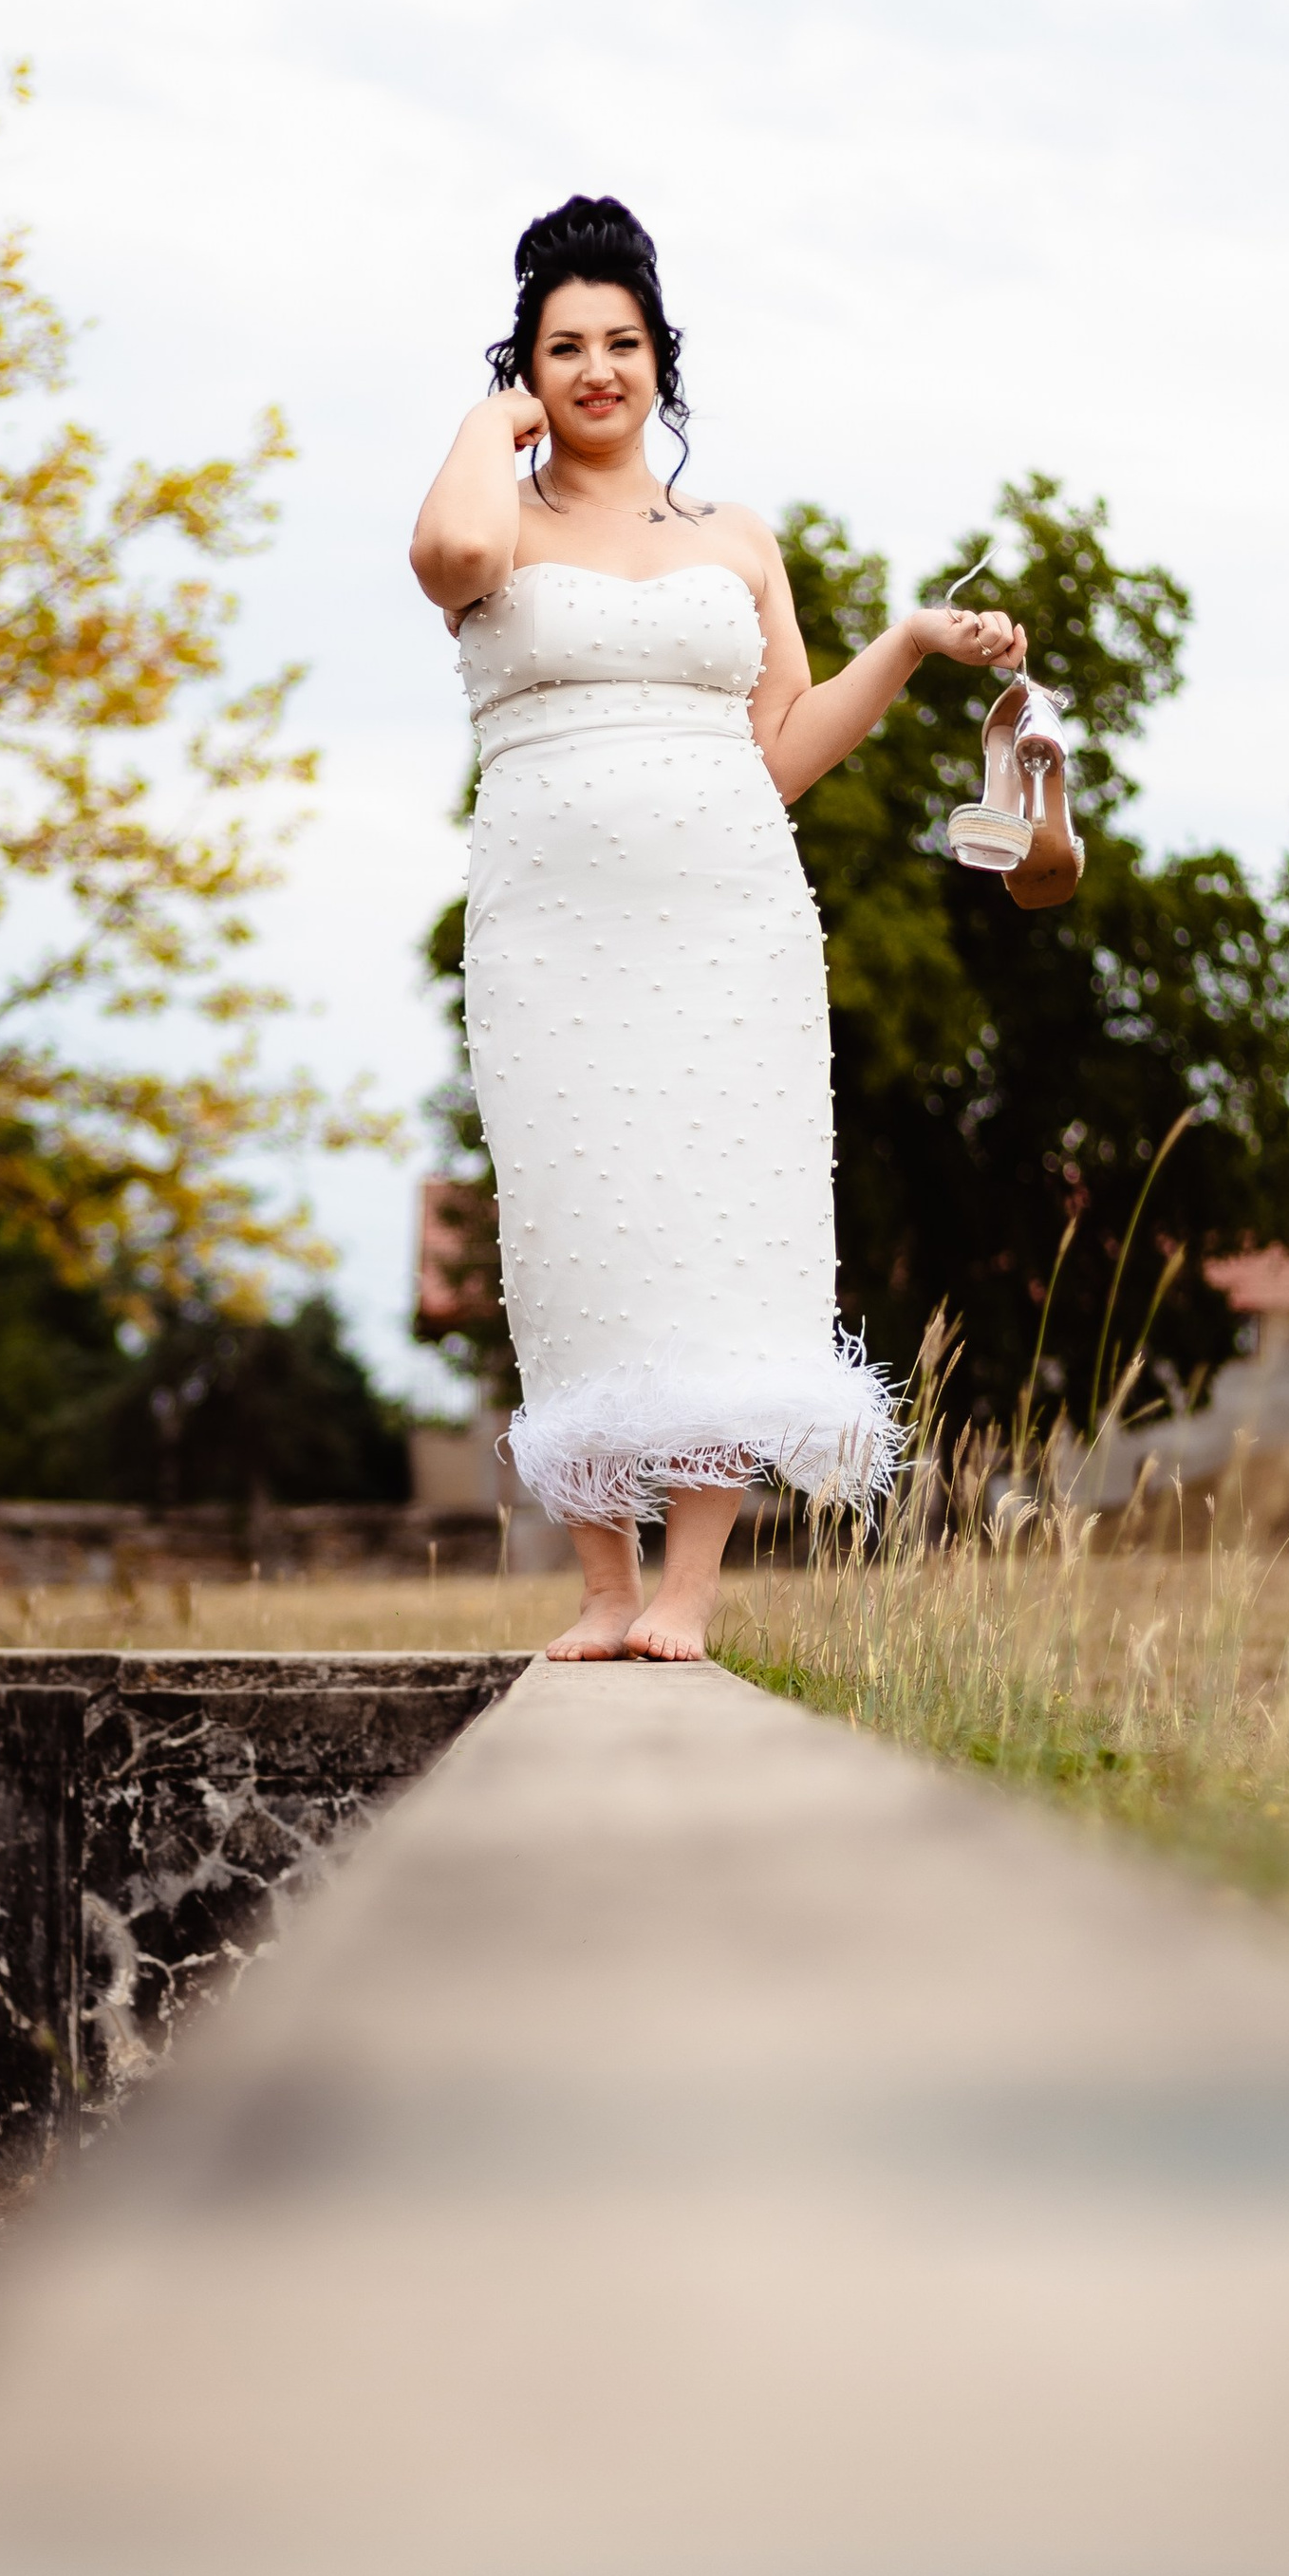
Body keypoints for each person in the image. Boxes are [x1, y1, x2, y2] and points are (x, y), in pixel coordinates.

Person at [409, 195, 1026, 1661]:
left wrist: (914, 642)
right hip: (551, 924)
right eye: (563, 347)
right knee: (572, 1228)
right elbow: (442, 557)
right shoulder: (500, 517)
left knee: (720, 1230)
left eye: (621, 340)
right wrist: (488, 429)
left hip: (728, 915)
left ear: (660, 357)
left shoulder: (737, 537)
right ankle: (603, 1585)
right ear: (528, 368)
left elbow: (786, 747)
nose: (596, 368)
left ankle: (689, 1589)